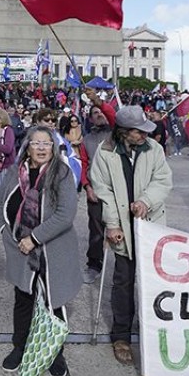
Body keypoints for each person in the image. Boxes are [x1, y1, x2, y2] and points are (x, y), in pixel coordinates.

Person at [0, 126, 81, 376]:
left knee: (54, 302)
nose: (42, 148)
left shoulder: (61, 173)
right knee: (23, 299)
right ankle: (19, 347)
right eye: (36, 143)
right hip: (20, 249)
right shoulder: (15, 172)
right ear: (27, 147)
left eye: (47, 143)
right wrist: (4, 229)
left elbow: (66, 214)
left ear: (53, 148)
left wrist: (34, 238)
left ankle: (55, 352)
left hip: (52, 249)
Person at [89, 105, 173, 365]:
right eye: (139, 132)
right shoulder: (104, 153)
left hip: (151, 223)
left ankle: (153, 331)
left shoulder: (154, 149)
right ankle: (122, 334)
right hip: (121, 228)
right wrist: (112, 224)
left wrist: (146, 201)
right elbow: (103, 191)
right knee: (123, 281)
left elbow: (163, 181)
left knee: (153, 281)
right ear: (124, 132)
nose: (145, 135)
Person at [81, 90, 117, 284]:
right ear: (91, 119)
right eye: (95, 114)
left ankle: (123, 267)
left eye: (101, 112)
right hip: (95, 191)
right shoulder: (86, 140)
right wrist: (87, 187)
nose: (100, 115)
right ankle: (94, 265)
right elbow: (84, 166)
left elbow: (112, 115)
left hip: (116, 191)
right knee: (96, 232)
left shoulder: (116, 133)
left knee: (120, 230)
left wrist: (98, 102)